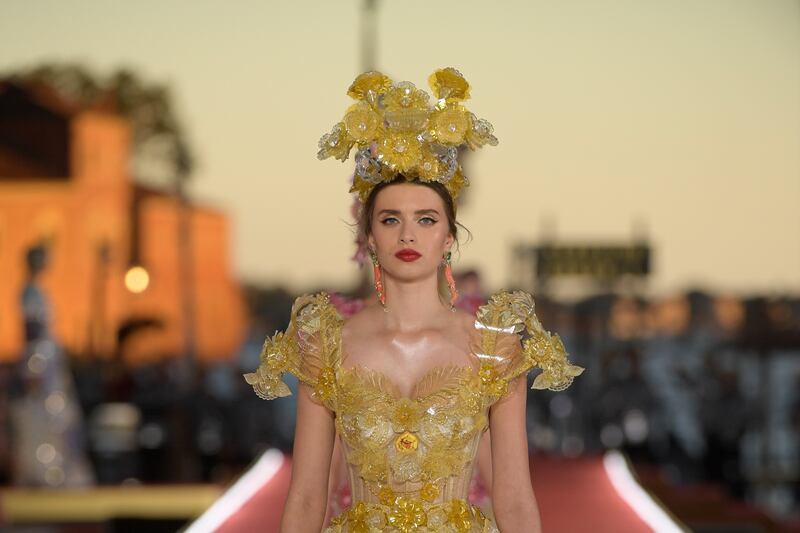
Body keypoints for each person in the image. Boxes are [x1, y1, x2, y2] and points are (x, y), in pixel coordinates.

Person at [245, 68, 583, 533]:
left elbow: (514, 497)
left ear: (449, 237)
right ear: (368, 235)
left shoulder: (494, 345)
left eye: (425, 219)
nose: (407, 234)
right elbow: (306, 497)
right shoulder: (326, 343)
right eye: (389, 219)